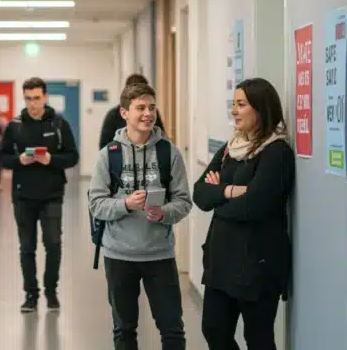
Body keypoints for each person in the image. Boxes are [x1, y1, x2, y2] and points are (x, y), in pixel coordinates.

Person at [193, 77, 294, 350]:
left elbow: (253, 206)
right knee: (213, 330)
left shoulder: (277, 152)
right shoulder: (231, 148)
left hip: (257, 264)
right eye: (234, 104)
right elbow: (200, 194)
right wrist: (230, 191)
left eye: (241, 104)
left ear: (260, 108)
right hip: (221, 261)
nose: (234, 111)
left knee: (258, 339)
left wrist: (219, 194)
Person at [88, 82, 191, 350]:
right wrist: (125, 204)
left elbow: (183, 201)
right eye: (141, 108)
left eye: (152, 108)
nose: (148, 114)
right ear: (124, 113)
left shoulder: (169, 152)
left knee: (172, 330)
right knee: (124, 330)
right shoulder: (108, 155)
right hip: (119, 255)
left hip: (160, 254)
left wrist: (163, 213)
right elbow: (96, 204)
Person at [0, 77, 79, 312]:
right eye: (28, 99)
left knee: (53, 244)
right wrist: (20, 160)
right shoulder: (15, 126)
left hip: (52, 194)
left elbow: (73, 157)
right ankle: (31, 295)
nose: (32, 103)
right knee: (27, 248)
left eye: (36, 98)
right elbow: (3, 158)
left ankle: (51, 292)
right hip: (23, 196)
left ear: (45, 97)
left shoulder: (59, 124)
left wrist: (51, 159)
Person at [99, 73, 166, 149]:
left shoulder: (153, 113)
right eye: (140, 108)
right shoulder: (113, 115)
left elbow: (161, 137)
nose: (147, 113)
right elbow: (104, 145)